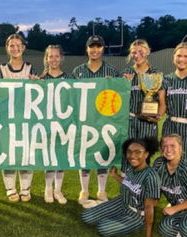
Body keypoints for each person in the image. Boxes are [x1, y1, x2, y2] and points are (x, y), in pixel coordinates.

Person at [81, 138, 166, 237]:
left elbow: (149, 208)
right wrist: (115, 175)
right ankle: (112, 215)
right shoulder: (132, 168)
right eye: (129, 152)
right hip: (122, 202)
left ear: (146, 154)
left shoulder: (151, 177)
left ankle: (138, 225)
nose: (132, 156)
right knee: (86, 217)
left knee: (103, 228)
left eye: (137, 152)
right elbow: (128, 183)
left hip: (137, 214)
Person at [72, 35, 118, 206]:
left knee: (102, 155)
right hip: (84, 119)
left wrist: (117, 83)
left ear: (103, 49)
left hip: (103, 120)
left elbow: (118, 95)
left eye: (98, 46)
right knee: (84, 155)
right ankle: (84, 189)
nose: (95, 49)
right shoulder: (78, 72)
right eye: (92, 46)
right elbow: (73, 97)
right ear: (87, 49)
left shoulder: (112, 72)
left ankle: (101, 190)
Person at [0, 34, 38, 202]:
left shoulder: (29, 68)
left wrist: (37, 81)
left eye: (18, 45)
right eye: (12, 45)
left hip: (26, 119)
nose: (15, 48)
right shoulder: (2, 69)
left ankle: (25, 188)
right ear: (7, 48)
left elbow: (39, 94)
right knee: (9, 153)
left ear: (23, 47)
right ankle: (10, 188)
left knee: (26, 154)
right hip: (7, 119)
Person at [120, 39, 166, 174]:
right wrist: (121, 83)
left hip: (148, 122)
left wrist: (158, 116)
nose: (137, 55)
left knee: (144, 159)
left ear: (148, 52)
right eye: (133, 52)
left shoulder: (156, 74)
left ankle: (142, 194)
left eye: (141, 51)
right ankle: (126, 193)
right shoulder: (125, 74)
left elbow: (162, 102)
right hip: (128, 121)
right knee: (127, 158)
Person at [40, 44, 74, 204]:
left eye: (56, 56)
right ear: (46, 59)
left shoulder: (69, 78)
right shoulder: (41, 79)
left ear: (61, 58)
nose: (53, 59)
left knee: (61, 157)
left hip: (64, 124)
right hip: (47, 124)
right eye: (50, 56)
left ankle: (58, 190)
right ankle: (48, 189)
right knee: (49, 157)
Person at [161, 42, 187, 164]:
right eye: (178, 56)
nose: (181, 59)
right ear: (173, 57)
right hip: (170, 126)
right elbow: (160, 104)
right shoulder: (165, 80)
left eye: (186, 56)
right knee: (169, 163)